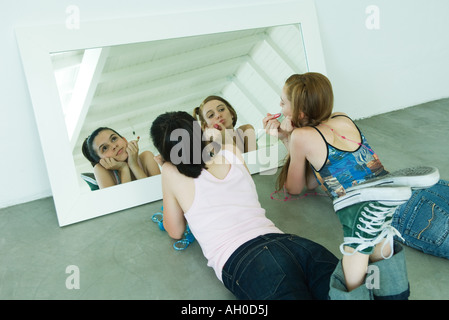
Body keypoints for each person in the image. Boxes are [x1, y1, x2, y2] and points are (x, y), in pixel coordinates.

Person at [149, 110, 409, 300]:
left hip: (247, 261)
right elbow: (212, 144)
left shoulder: (171, 171)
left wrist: (166, 163)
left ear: (165, 152)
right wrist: (208, 136)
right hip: (292, 244)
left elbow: (175, 230)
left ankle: (362, 245)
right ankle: (369, 244)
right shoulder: (230, 151)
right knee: (355, 292)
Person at [263, 72, 446, 292]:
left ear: (300, 110)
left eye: (283, 102)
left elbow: (294, 188)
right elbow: (313, 181)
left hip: (394, 211)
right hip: (415, 187)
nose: (279, 106)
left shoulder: (302, 137)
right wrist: (290, 138)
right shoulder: (342, 117)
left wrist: (287, 138)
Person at [82, 127, 160, 189]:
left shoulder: (147, 156)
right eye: (105, 148)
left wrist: (134, 165)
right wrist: (123, 168)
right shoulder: (100, 170)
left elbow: (159, 194)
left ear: (124, 140)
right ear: (101, 161)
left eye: (114, 139)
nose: (114, 146)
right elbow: (123, 204)